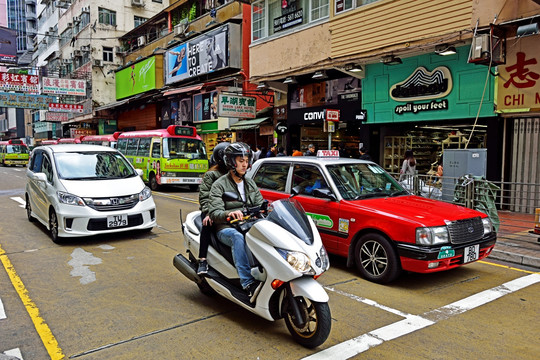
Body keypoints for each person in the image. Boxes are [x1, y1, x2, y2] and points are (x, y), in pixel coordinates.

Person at [208, 142, 265, 302]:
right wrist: (230, 213)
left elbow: (259, 202)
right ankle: (247, 283)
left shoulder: (250, 183)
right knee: (237, 238)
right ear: (231, 162)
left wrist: (269, 207)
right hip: (226, 228)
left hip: (248, 224)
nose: (244, 164)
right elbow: (214, 213)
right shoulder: (219, 185)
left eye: (246, 161)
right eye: (241, 161)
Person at [196, 141, 230, 275]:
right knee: (207, 225)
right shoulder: (211, 175)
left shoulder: (236, 174)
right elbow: (205, 197)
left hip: (230, 210)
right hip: (212, 210)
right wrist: (210, 212)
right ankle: (202, 260)